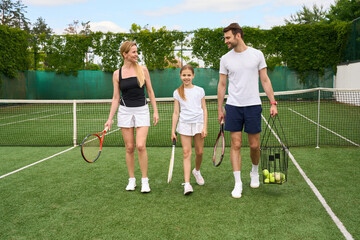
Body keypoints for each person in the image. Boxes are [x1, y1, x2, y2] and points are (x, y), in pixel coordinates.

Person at [217, 23, 278, 198]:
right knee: (235, 144)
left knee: (254, 145)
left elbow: (265, 80)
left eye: (228, 37)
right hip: (233, 106)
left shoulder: (257, 55)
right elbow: (222, 85)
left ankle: (254, 171)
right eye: (225, 38)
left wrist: (273, 103)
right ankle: (238, 183)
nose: (226, 41)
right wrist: (220, 108)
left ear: (238, 36)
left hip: (253, 105)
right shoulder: (225, 59)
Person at [105, 41, 159, 193]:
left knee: (140, 146)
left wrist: (155, 111)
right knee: (129, 148)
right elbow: (116, 98)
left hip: (142, 110)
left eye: (137, 51)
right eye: (133, 52)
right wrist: (110, 118)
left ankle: (145, 180)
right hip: (124, 111)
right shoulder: (117, 74)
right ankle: (131, 180)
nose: (136, 54)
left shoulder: (143, 70)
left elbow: (150, 91)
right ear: (125, 54)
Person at [171, 65, 208, 195]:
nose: (186, 77)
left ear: (193, 76)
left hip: (198, 124)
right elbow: (176, 113)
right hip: (184, 125)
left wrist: (205, 127)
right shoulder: (177, 92)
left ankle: (196, 171)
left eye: (188, 75)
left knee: (199, 152)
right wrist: (173, 130)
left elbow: (204, 109)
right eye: (184, 75)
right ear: (180, 76)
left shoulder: (200, 90)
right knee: (187, 153)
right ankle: (187, 184)